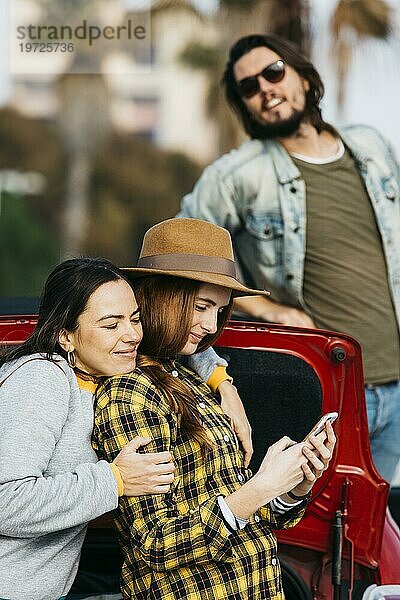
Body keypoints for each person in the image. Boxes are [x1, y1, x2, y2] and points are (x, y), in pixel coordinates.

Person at [178, 33, 400, 484]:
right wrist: (265, 308)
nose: (265, 89)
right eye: (249, 87)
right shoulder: (237, 174)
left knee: (376, 537)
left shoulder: (371, 147)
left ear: (302, 75)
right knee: (310, 536)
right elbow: (181, 257)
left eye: (274, 72)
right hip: (322, 387)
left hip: (396, 384)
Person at [93, 218, 335, 599]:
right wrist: (259, 487)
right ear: (162, 297)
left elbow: (241, 510)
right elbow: (155, 543)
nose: (210, 325)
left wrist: (293, 486)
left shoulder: (188, 376)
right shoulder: (130, 394)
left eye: (220, 310)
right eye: (201, 306)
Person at [0, 257, 245, 600]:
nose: (131, 335)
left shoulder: (105, 369)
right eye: (111, 324)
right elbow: (5, 502)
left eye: (135, 319)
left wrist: (223, 382)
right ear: (65, 335)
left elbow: (179, 337)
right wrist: (114, 480)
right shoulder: (42, 379)